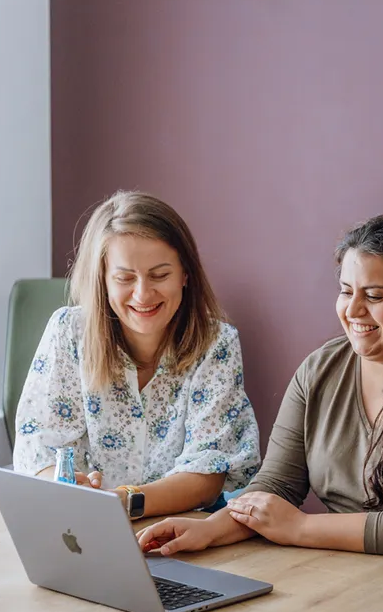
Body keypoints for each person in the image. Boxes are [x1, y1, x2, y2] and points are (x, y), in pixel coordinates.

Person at [137, 215, 383, 569]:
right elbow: (277, 486)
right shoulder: (321, 368)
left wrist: (299, 528)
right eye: (346, 291)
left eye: (375, 296)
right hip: (354, 573)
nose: (353, 309)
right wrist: (209, 530)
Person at [13, 190, 260, 519]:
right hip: (83, 527)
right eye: (124, 278)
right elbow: (38, 446)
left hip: (185, 527)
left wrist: (121, 502)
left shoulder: (216, 344)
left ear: (186, 274)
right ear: (102, 279)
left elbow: (207, 473)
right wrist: (67, 488)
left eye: (160, 275)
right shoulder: (68, 332)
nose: (143, 294)